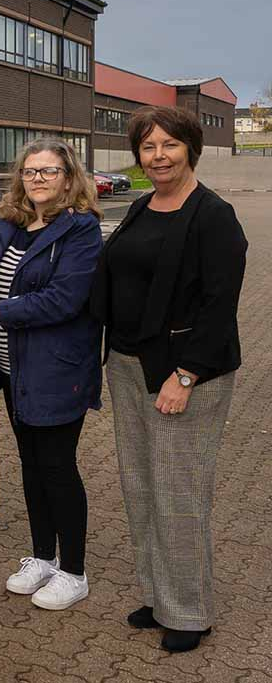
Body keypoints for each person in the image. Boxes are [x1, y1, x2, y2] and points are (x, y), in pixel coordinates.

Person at [89, 106, 247, 652]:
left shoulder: (213, 215)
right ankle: (160, 596)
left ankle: (190, 612)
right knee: (140, 487)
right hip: (129, 367)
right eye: (148, 147)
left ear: (191, 149)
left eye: (169, 145)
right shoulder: (141, 205)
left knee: (180, 492)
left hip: (184, 375)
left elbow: (219, 305)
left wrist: (186, 374)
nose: (158, 156)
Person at [0, 139, 102, 609]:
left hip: (56, 370)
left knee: (57, 466)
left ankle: (74, 570)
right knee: (32, 466)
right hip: (13, 370)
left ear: (69, 178)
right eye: (31, 171)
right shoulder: (10, 226)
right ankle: (42, 558)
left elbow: (61, 300)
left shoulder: (81, 230)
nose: (38, 179)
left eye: (49, 171)